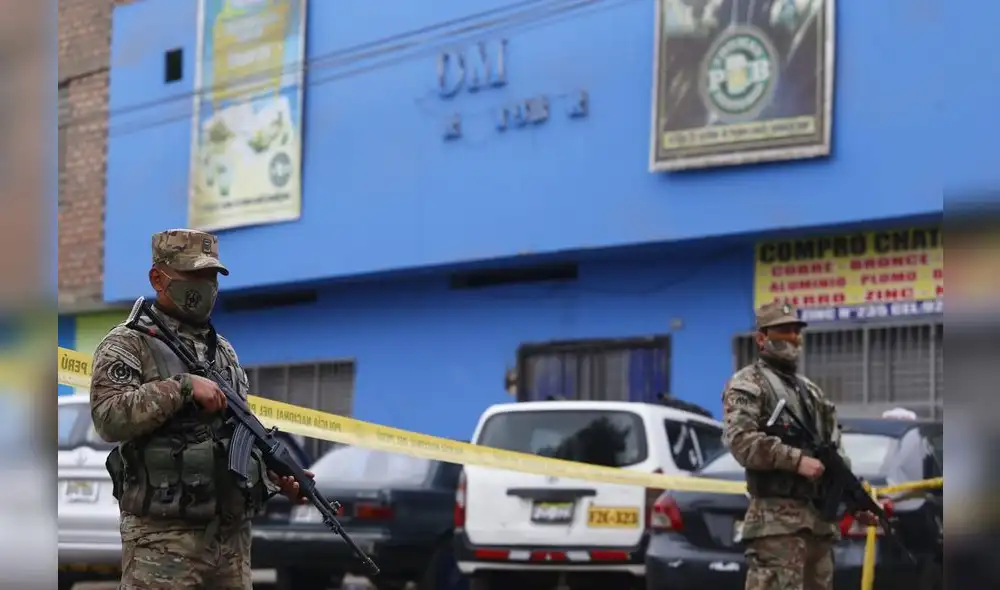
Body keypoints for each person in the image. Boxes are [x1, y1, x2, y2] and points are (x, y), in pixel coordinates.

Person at [89, 228, 312, 589]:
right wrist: (183, 387)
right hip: (164, 543)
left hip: (231, 544)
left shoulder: (223, 351)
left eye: (211, 276)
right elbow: (109, 417)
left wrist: (278, 477)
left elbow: (234, 436)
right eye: (193, 275)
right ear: (158, 279)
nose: (205, 286)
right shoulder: (128, 344)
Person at [721, 301, 874, 590]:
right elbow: (740, 441)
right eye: (783, 331)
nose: (793, 337)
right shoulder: (747, 383)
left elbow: (835, 455)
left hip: (819, 524)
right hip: (777, 524)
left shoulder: (811, 391)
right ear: (762, 338)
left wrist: (856, 502)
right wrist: (795, 459)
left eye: (795, 330)